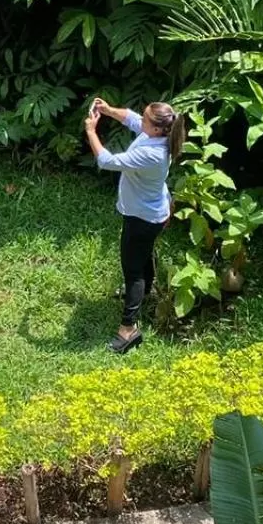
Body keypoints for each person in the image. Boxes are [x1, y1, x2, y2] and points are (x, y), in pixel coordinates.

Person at [84, 98, 185, 353]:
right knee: (144, 254)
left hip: (142, 218)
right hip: (153, 212)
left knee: (133, 272)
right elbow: (131, 118)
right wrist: (108, 110)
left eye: (146, 118)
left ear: (157, 128)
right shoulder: (160, 135)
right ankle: (147, 292)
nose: (141, 119)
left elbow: (106, 161)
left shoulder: (152, 153)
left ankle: (128, 329)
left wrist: (91, 131)